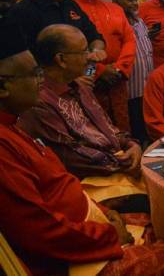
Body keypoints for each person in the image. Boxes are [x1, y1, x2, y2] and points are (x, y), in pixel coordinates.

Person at [0, 19, 164, 276]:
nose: (41, 81)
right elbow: (39, 230)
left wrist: (106, 212)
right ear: (4, 86)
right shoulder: (14, 134)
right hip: (72, 249)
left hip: (92, 208)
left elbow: (63, 179)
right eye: (35, 74)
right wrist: (108, 235)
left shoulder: (16, 123)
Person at [19, 25, 145, 206]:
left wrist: (133, 145)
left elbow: (109, 129)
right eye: (84, 52)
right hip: (88, 185)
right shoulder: (39, 102)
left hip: (118, 168)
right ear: (61, 59)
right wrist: (124, 162)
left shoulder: (80, 86)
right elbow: (71, 157)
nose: (90, 57)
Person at [71, 0, 135, 133]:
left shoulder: (114, 9)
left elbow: (129, 40)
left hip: (117, 79)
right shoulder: (69, 8)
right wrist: (99, 71)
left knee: (122, 126)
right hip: (88, 80)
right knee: (94, 129)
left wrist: (119, 69)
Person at [112, 0, 154, 145]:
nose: (135, 3)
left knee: (146, 132)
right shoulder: (115, 23)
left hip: (147, 89)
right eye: (130, 0)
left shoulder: (139, 21)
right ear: (116, 1)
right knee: (133, 133)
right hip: (129, 91)